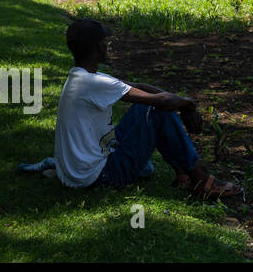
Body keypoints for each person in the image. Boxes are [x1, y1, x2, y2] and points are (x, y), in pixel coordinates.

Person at [54, 18, 238, 198]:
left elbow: (140, 87)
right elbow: (163, 102)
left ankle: (183, 173)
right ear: (99, 47)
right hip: (98, 177)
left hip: (83, 172)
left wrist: (181, 103)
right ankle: (199, 179)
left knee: (144, 108)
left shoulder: (83, 78)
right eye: (105, 41)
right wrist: (188, 104)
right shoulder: (92, 83)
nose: (107, 45)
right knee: (156, 112)